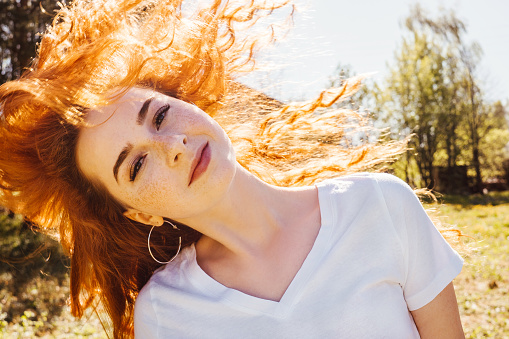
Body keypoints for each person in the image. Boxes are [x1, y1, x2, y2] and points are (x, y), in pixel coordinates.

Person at [0, 0, 464, 338]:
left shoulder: (380, 204)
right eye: (137, 164)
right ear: (137, 212)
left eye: (159, 116)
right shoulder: (165, 313)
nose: (173, 147)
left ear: (187, 103)